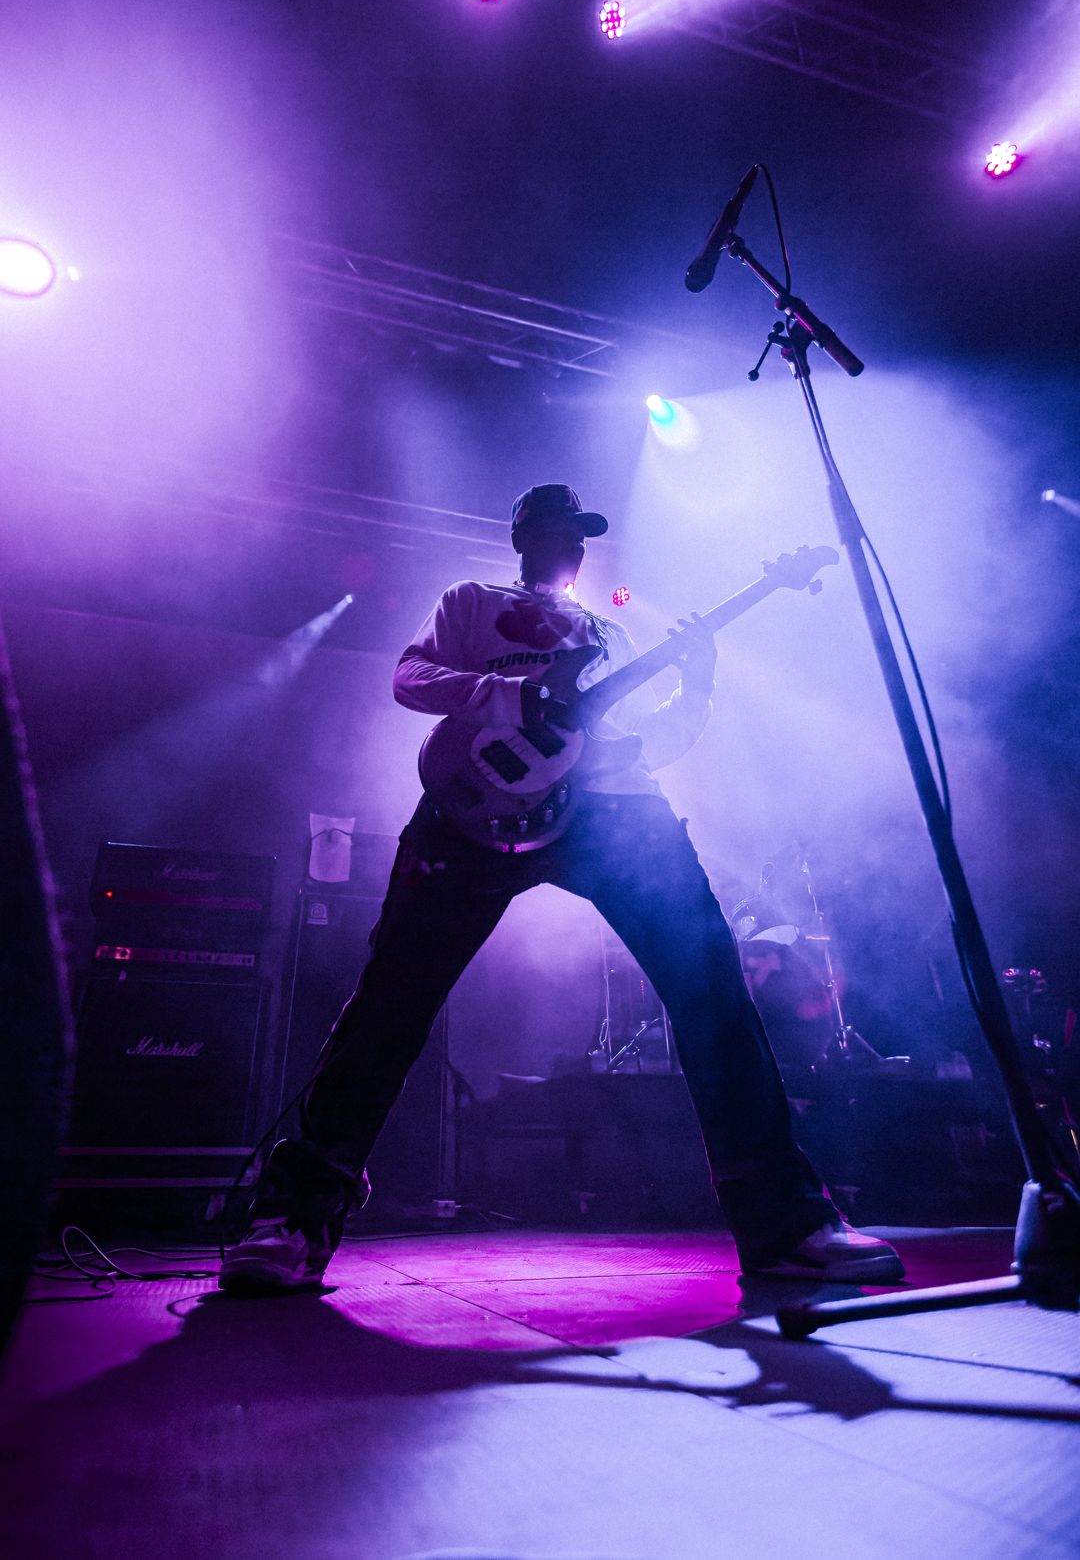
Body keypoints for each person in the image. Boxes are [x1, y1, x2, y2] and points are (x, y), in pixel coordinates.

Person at [220, 484, 903, 1292]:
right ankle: (296, 1217)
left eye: (581, 534)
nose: (570, 544)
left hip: (615, 811)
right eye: (555, 529)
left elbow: (653, 743)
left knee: (713, 995)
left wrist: (698, 684)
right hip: (472, 807)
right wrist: (506, 695)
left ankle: (787, 1222)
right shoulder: (472, 601)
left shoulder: (612, 633)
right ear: (521, 535)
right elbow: (410, 676)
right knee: (389, 1004)